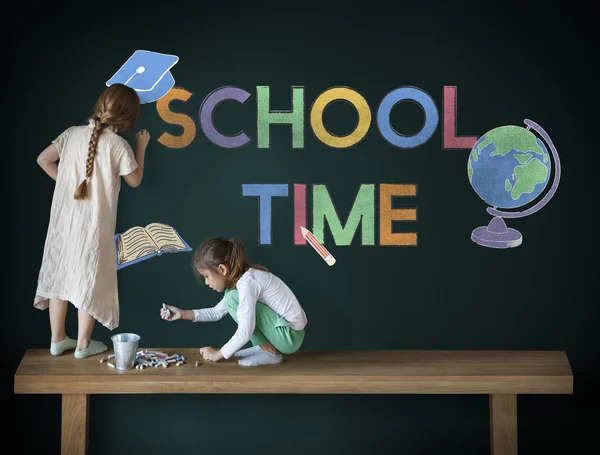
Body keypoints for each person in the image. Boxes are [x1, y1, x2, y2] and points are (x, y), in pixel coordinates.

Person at [34, 83, 151, 359]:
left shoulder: (71, 135)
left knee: (60, 275)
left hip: (63, 222)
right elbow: (135, 180)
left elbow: (43, 160)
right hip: (94, 226)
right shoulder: (118, 145)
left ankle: (56, 339)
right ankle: (83, 344)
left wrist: (67, 184)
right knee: (88, 277)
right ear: (127, 119)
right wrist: (141, 147)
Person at [161, 237, 307, 366]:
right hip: (286, 333)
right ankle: (265, 347)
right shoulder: (242, 282)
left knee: (232, 299)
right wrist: (182, 314)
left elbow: (245, 331)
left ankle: (270, 352)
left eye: (207, 276)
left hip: (290, 336)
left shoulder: (247, 283)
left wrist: (217, 354)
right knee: (232, 298)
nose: (206, 283)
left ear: (222, 269)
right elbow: (216, 312)